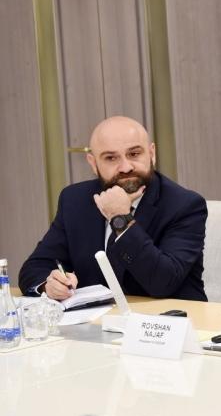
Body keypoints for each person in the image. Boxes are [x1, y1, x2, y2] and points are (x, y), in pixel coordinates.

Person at [19, 116, 208, 301]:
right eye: (111, 158)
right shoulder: (75, 199)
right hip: (97, 319)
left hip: (167, 317)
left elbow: (163, 282)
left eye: (134, 154)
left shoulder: (184, 205)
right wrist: (49, 285)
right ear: (93, 163)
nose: (125, 167)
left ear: (152, 154)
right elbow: (36, 267)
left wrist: (120, 218)